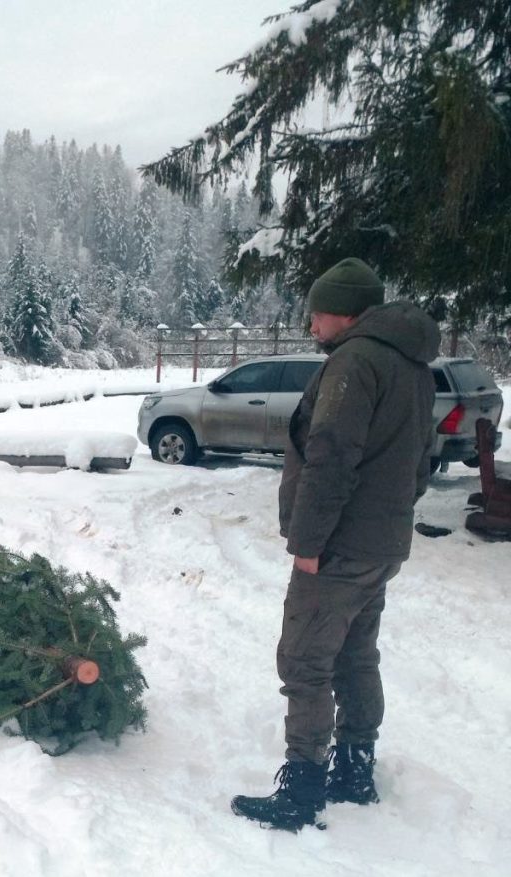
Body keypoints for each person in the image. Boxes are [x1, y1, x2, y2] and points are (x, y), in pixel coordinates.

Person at [231, 257, 440, 831]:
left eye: (317, 313)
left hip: (339, 546)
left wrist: (308, 540)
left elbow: (330, 453)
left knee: (305, 659)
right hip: (381, 543)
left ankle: (301, 791)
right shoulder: (413, 365)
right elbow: (421, 459)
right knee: (355, 653)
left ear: (344, 312)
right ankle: (354, 769)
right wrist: (393, 518)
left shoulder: (355, 362)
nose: (312, 324)